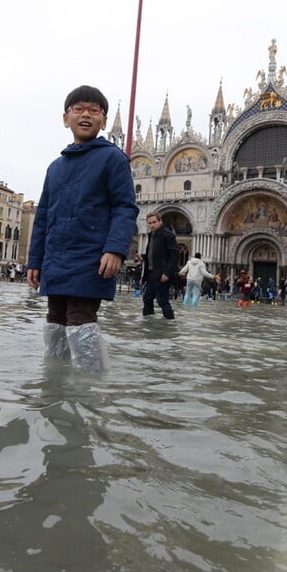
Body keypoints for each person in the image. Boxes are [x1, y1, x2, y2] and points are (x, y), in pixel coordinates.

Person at [27, 85, 138, 372]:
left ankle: (90, 388)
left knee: (80, 317)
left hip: (90, 256)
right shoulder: (55, 167)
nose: (85, 115)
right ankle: (54, 379)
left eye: (94, 110)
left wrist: (115, 249)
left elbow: (125, 207)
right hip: (55, 257)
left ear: (103, 120)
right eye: (78, 109)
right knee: (55, 318)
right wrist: (35, 261)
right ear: (66, 118)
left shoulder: (113, 158)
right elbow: (42, 217)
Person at [141, 212, 179, 319]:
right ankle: (148, 323)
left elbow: (175, 255)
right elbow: (155, 254)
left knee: (162, 300)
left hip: (162, 274)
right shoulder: (151, 235)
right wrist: (143, 257)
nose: (152, 225)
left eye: (154, 222)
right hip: (151, 273)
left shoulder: (168, 235)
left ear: (160, 221)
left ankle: (170, 323)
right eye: (149, 223)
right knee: (147, 299)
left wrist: (167, 273)